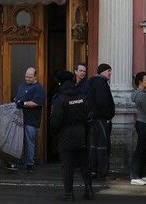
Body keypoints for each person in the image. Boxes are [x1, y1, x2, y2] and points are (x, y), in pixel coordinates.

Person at [50, 70, 94, 201]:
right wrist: (84, 130)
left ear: (60, 82)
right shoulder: (82, 96)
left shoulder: (59, 98)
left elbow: (55, 120)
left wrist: (54, 134)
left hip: (65, 135)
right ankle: (89, 190)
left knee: (67, 165)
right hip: (81, 134)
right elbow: (89, 116)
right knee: (84, 164)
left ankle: (69, 194)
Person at [5, 67, 46, 172]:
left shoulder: (39, 88)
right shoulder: (22, 85)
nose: (27, 79)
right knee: (16, 141)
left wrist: (24, 103)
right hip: (18, 119)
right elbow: (18, 98)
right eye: (26, 76)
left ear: (35, 76)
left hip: (31, 120)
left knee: (29, 142)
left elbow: (37, 102)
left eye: (30, 77)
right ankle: (13, 162)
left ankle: (29, 164)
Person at [87, 63, 115, 181]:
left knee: (95, 146)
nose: (110, 73)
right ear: (103, 71)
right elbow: (102, 102)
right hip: (102, 119)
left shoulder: (93, 83)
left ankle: (93, 170)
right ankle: (102, 172)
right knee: (103, 147)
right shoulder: (101, 84)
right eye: (109, 71)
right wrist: (108, 116)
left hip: (95, 119)